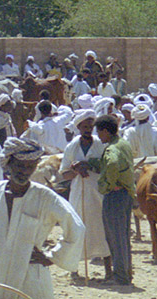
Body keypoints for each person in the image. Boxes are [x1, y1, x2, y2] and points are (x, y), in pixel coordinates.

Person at [0, 138, 85, 299]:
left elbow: (76, 227)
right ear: (9, 164)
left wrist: (53, 256)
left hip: (31, 271)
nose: (24, 172)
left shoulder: (45, 197)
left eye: (30, 167)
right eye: (20, 166)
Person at [60, 110, 110, 278]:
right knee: (77, 228)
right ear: (79, 127)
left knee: (101, 228)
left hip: (97, 193)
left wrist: (89, 166)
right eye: (85, 127)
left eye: (91, 127)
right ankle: (74, 269)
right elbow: (64, 173)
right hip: (78, 193)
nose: (88, 129)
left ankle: (109, 271)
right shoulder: (71, 146)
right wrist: (75, 170)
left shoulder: (101, 145)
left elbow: (107, 167)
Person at [87, 115, 134, 285]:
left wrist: (108, 184)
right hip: (127, 194)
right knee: (124, 235)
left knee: (115, 237)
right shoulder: (123, 144)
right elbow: (109, 164)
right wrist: (92, 163)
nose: (98, 136)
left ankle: (120, 277)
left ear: (105, 131)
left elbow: (112, 164)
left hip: (114, 196)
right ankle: (127, 272)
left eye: (99, 132)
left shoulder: (111, 150)